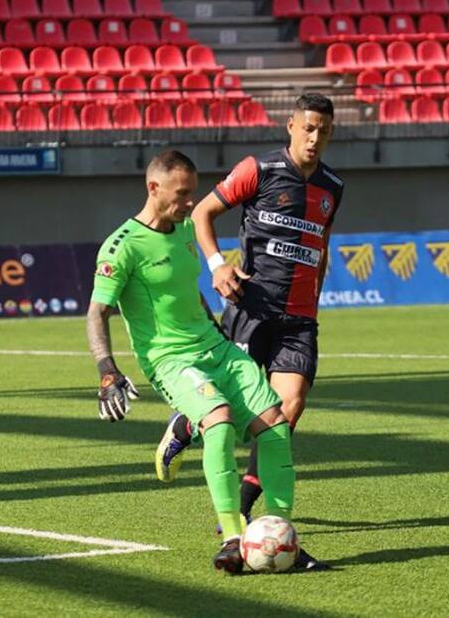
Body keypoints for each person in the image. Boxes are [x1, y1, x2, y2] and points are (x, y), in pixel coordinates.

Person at [86, 150, 299, 574]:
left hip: (214, 346)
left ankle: (279, 530)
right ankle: (233, 536)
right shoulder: (122, 245)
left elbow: (189, 290)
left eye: (193, 193)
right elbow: (96, 312)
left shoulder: (185, 230)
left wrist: (218, 331)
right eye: (182, 194)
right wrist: (107, 370)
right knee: (218, 423)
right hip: (170, 359)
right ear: (154, 188)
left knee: (275, 424)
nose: (190, 203)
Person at [155, 93, 343, 570]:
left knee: (287, 409)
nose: (314, 138)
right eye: (308, 128)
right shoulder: (257, 170)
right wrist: (217, 266)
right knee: (231, 410)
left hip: (299, 320)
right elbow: (202, 214)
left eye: (323, 130)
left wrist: (316, 296)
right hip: (252, 308)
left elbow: (320, 245)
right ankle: (186, 424)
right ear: (291, 127)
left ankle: (255, 516)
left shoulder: (333, 187)